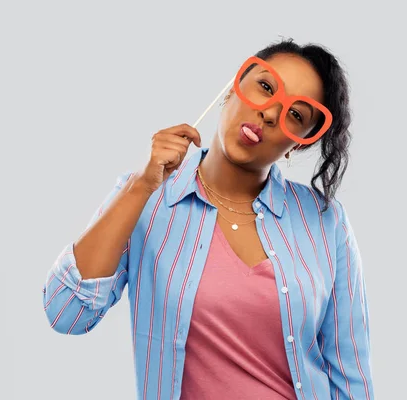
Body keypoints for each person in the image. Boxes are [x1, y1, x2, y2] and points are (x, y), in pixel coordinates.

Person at [43, 38, 375, 400]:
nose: (269, 114)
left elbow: (350, 377)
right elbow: (66, 312)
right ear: (234, 87)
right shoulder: (146, 198)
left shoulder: (326, 223)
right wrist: (141, 187)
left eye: (295, 115)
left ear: (298, 144)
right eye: (265, 87)